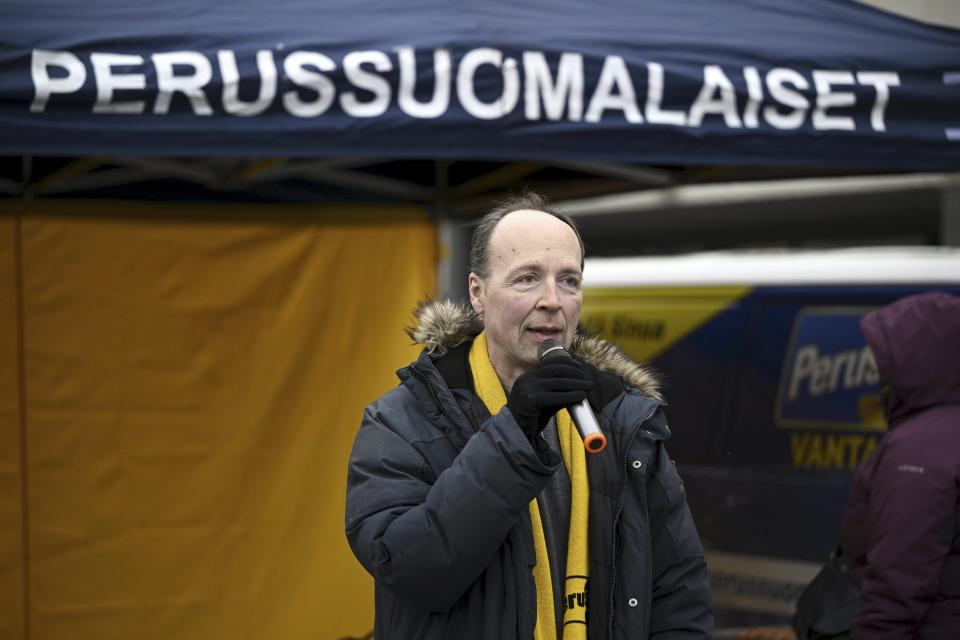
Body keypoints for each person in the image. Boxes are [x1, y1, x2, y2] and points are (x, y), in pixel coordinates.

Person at [345, 192, 712, 639]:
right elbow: (411, 569)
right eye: (527, 279)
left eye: (569, 281)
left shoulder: (620, 420)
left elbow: (679, 593)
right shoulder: (403, 419)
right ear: (477, 292)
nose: (552, 300)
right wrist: (515, 430)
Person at [839, 291, 960, 638]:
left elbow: (897, 583)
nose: (878, 372)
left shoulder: (921, 450)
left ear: (921, 359)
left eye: (885, 358)